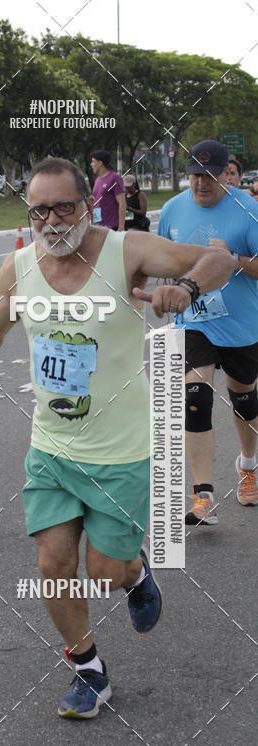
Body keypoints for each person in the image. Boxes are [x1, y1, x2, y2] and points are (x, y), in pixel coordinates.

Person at [0, 156, 234, 719]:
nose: (52, 220)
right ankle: (88, 669)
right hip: (52, 450)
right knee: (52, 564)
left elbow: (219, 258)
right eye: (39, 210)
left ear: (87, 204)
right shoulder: (20, 265)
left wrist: (183, 286)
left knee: (106, 573)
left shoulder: (124, 250)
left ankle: (136, 572)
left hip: (122, 453)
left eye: (63, 206)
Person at [158, 140, 258, 524]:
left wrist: (232, 261)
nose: (201, 183)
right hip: (194, 322)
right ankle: (204, 496)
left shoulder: (248, 211)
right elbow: (163, 257)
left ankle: (248, 466)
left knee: (245, 402)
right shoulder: (172, 210)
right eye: (195, 174)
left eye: (209, 175)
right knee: (195, 397)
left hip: (241, 325)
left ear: (224, 173)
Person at [90, 150, 125, 231]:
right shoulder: (97, 180)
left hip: (112, 228)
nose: (91, 164)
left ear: (100, 163)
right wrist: (93, 224)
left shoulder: (115, 178)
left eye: (93, 162)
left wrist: (121, 227)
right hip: (99, 227)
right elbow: (96, 204)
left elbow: (122, 203)